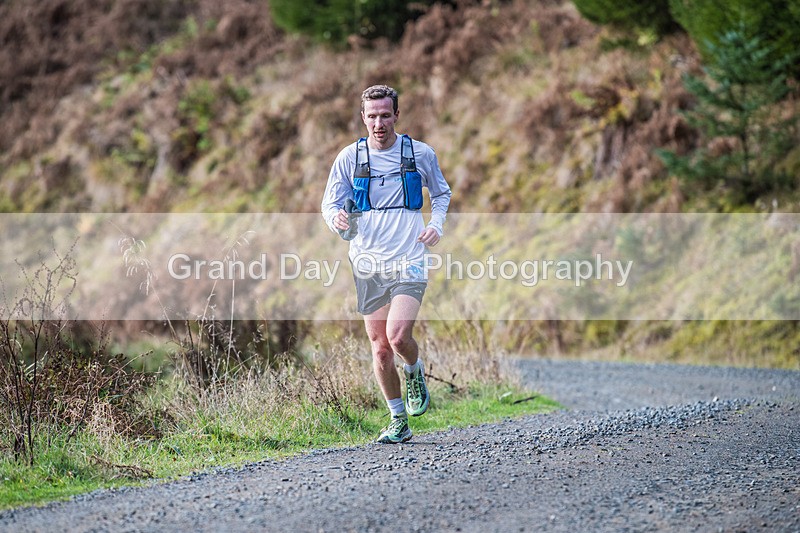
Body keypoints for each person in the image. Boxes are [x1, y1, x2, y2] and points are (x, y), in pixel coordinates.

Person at [321, 85, 452, 443]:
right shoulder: (349, 158)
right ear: (363, 118)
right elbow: (329, 204)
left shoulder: (420, 153)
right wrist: (337, 220)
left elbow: (441, 193)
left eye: (385, 115)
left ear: (396, 115)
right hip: (367, 261)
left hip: (409, 256)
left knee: (398, 336)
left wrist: (435, 225)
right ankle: (398, 420)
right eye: (372, 116)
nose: (379, 123)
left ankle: (414, 369)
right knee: (379, 346)